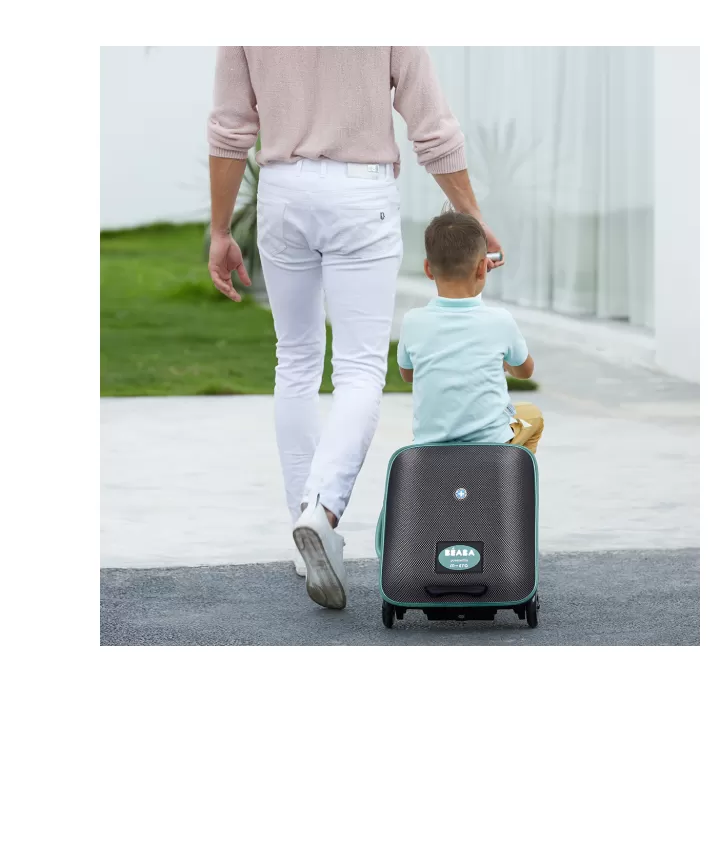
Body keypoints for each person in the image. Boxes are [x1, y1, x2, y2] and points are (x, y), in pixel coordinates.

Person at [206, 47, 504, 610]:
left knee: (295, 360)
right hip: (361, 194)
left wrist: (221, 230)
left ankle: (304, 527)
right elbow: (432, 126)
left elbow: (229, 127)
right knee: (360, 369)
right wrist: (472, 217)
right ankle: (322, 511)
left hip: (283, 191)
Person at [396, 212, 543, 454]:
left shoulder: (412, 321)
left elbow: (408, 374)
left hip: (430, 452)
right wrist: (503, 363)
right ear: (483, 267)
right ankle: (507, 475)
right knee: (532, 415)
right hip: (490, 448)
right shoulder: (500, 320)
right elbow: (525, 371)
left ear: (428, 268)